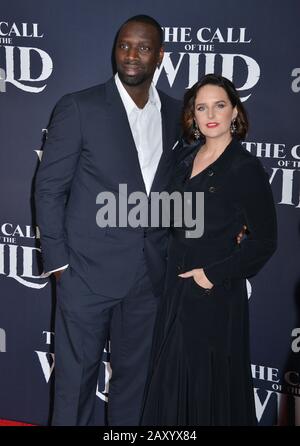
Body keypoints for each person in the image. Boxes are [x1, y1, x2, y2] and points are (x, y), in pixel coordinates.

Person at [35, 15, 181, 426]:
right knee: (74, 385)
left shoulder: (176, 113)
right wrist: (60, 265)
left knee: (135, 388)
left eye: (143, 47)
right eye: (124, 46)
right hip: (85, 274)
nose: (131, 55)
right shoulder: (79, 107)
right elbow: (48, 189)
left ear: (160, 56)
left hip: (149, 277)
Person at [140, 74, 277, 426]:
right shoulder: (184, 159)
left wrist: (211, 275)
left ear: (235, 112)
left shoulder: (244, 168)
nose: (210, 113)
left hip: (212, 292)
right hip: (174, 284)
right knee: (169, 382)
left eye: (219, 105)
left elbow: (265, 241)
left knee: (203, 387)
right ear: (193, 116)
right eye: (202, 107)